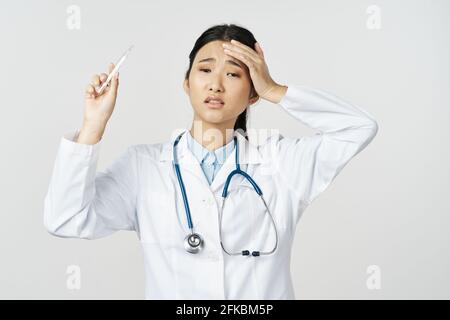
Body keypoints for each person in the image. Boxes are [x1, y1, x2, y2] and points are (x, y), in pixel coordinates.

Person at [44, 23, 378, 299]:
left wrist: (275, 89)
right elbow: (66, 218)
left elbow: (359, 128)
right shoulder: (143, 167)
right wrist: (93, 126)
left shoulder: (281, 162)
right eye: (205, 70)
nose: (216, 85)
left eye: (233, 75)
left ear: (252, 93)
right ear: (187, 84)